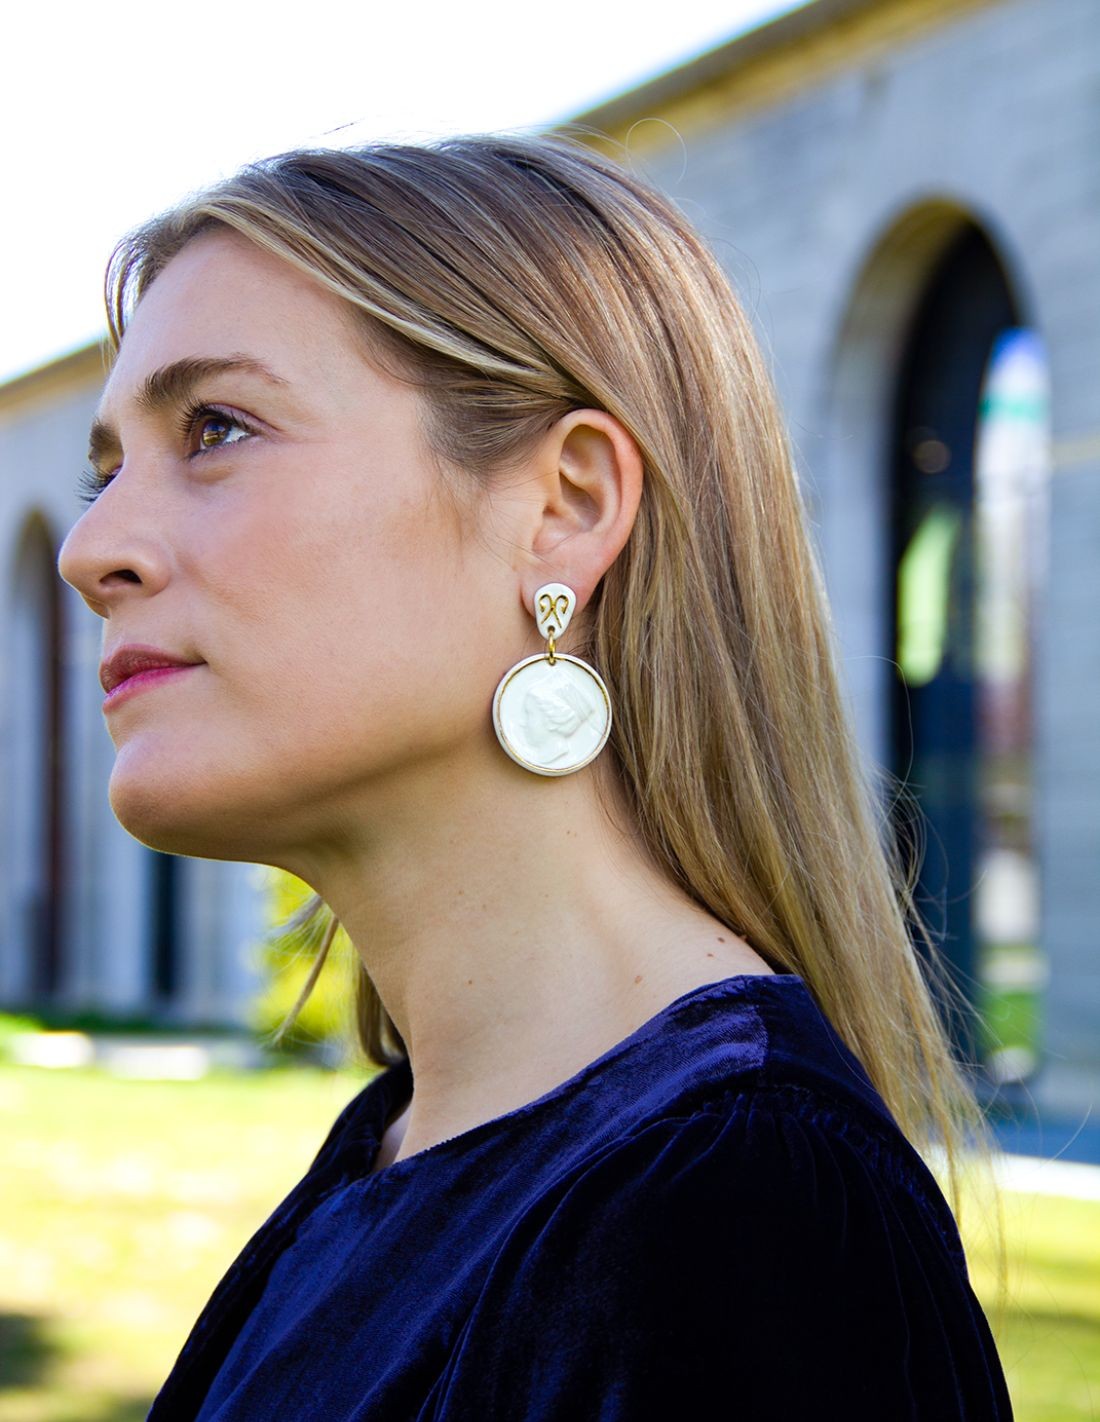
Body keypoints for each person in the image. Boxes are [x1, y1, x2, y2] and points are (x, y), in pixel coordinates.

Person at [57, 130, 1014, 1419]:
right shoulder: (399, 1155)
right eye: (107, 473)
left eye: (216, 429)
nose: (92, 549)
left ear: (565, 504)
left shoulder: (741, 1211)